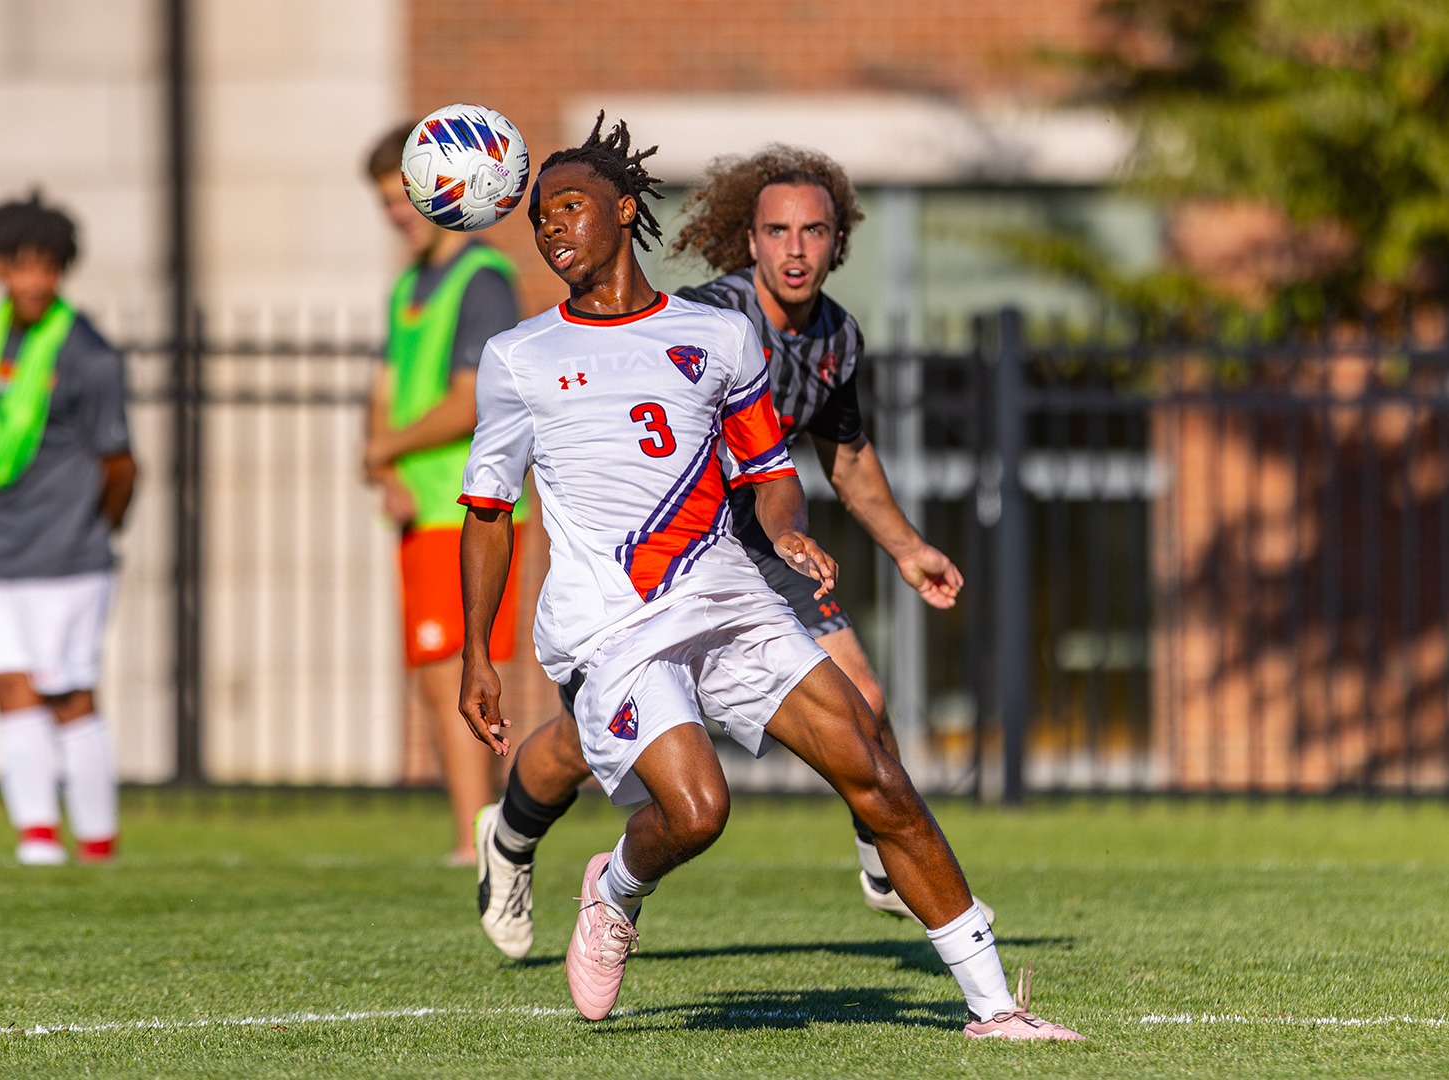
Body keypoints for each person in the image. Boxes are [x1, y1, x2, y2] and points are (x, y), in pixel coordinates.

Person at [457, 115, 1081, 1038]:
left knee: (876, 765)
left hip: (732, 596)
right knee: (700, 810)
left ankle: (994, 1009)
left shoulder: (716, 337)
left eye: (571, 208)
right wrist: (477, 648)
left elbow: (772, 474)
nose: (552, 229)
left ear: (625, 211)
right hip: (611, 627)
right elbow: (487, 512)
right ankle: (614, 886)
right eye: (541, 217)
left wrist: (789, 535)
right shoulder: (520, 357)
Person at [362, 122, 525, 866]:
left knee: (459, 671)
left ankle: (479, 838)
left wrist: (385, 448)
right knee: (431, 679)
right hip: (419, 509)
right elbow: (387, 387)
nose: (398, 214)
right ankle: (473, 830)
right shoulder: (408, 284)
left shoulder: (482, 278)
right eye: (387, 203)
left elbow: (470, 402)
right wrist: (386, 469)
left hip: (467, 510)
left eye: (406, 198)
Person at [0, 194, 137, 865]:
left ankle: (97, 843)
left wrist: (96, 533)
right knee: (11, 690)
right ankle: (36, 838)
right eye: (19, 266)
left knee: (68, 696)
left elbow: (122, 465)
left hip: (70, 559)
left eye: (47, 268)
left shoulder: (89, 353)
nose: (33, 282)